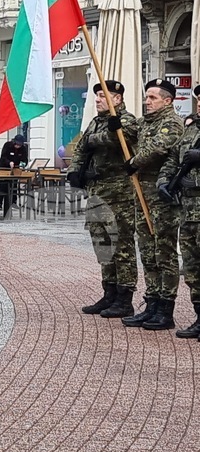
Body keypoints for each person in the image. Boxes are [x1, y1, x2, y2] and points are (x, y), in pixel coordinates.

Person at [67, 80, 140, 319]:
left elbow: (118, 138)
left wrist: (96, 138)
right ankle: (108, 293)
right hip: (96, 190)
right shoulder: (95, 122)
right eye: (97, 95)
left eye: (102, 96)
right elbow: (81, 148)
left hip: (118, 191)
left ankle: (124, 297)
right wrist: (75, 171)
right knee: (103, 245)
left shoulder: (125, 120)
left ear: (116, 99)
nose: (97, 99)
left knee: (121, 245)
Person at [120, 78, 186, 330]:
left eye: (152, 98)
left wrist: (135, 161)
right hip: (142, 194)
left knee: (164, 252)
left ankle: (165, 309)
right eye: (146, 97)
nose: (147, 102)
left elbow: (156, 149)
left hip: (162, 197)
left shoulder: (171, 123)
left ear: (167, 101)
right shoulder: (146, 122)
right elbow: (126, 133)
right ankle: (151, 303)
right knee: (147, 251)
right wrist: (118, 120)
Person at [160, 116, 200, 338]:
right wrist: (164, 182)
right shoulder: (191, 129)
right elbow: (173, 158)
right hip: (189, 211)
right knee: (193, 268)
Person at [0, 133, 29, 210]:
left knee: (14, 185)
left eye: (19, 145)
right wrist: (9, 162)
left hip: (15, 169)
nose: (17, 146)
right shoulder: (7, 145)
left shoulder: (23, 149)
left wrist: (23, 164)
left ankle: (13, 202)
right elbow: (3, 157)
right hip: (4, 168)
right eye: (16, 144)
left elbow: (24, 159)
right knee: (3, 186)